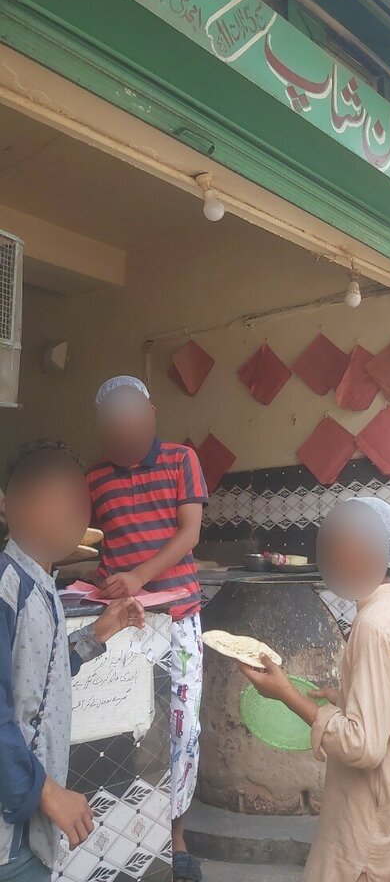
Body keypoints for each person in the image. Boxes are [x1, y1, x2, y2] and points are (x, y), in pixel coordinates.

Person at [240, 497, 390, 882]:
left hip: (365, 837)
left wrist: (286, 693)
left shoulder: (374, 627)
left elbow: (362, 746)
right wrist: (350, 698)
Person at [0, 439, 144, 882]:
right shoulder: (8, 590)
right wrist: (46, 792)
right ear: (7, 505)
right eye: (47, 500)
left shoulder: (41, 579)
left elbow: (37, 675)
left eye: (74, 504)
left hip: (30, 825)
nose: (64, 515)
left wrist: (100, 633)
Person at [87, 376, 208, 882]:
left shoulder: (182, 459)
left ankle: (175, 839)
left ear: (152, 412)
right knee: (126, 729)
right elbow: (88, 543)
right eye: (116, 430)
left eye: (134, 424)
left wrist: (138, 575)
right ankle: (127, 841)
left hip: (178, 618)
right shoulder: (93, 479)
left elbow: (190, 531)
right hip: (122, 624)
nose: (127, 437)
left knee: (182, 727)